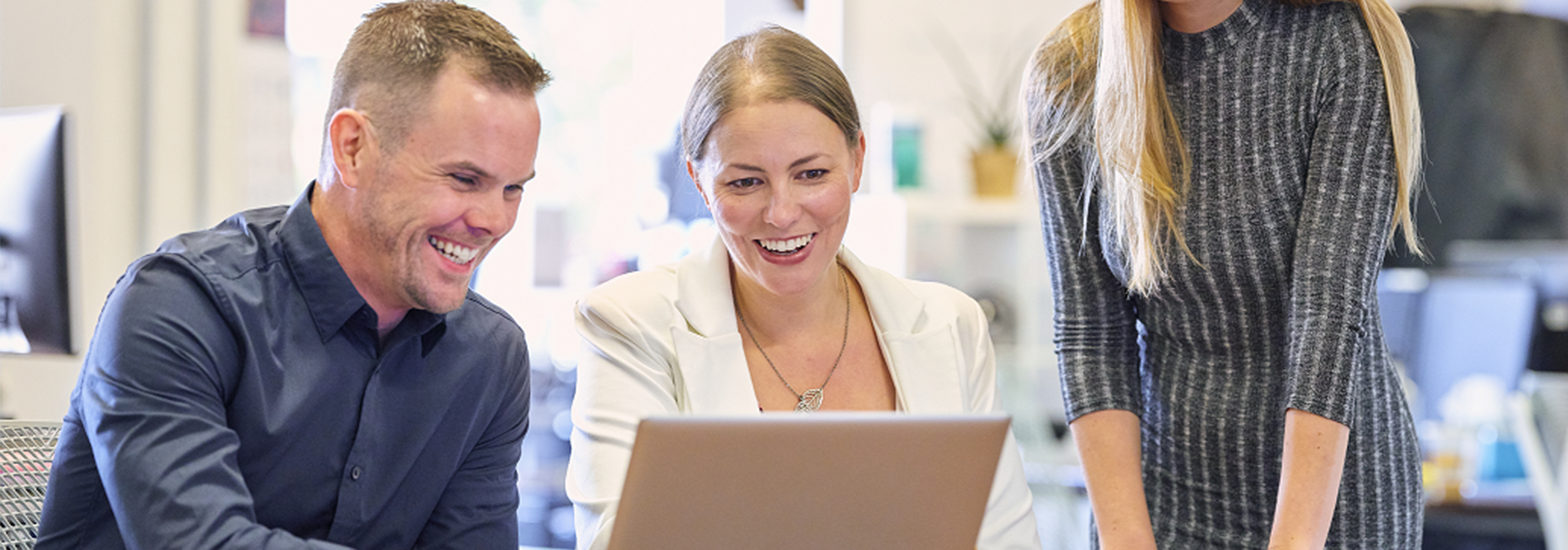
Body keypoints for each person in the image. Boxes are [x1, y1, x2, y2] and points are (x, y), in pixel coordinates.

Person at [35, 2, 549, 548]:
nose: (494, 221)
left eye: (513, 188)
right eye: (464, 178)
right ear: (352, 148)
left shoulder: (489, 356)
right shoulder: (175, 308)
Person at [565, 26, 1041, 550]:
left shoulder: (952, 325)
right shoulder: (629, 324)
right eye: (745, 181)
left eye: (811, 173)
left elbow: (1004, 541)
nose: (783, 212)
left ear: (858, 160)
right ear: (699, 182)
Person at [1025, 0, 1425, 548]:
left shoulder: (1337, 43)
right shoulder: (1069, 71)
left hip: (1333, 507)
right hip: (1163, 499)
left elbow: (1327, 320)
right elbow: (1092, 335)